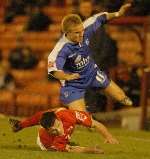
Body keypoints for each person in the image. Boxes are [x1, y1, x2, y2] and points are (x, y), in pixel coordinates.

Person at [48, 3, 133, 137]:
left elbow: (101, 17)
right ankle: (62, 130)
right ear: (67, 33)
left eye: (82, 31)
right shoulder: (60, 50)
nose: (82, 34)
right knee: (83, 119)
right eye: (77, 33)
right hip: (73, 83)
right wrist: (66, 77)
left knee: (122, 97)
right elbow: (53, 70)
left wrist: (118, 13)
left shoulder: (85, 28)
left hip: (92, 73)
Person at [9, 107, 117, 153]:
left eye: (57, 125)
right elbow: (71, 149)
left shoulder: (69, 116)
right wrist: (92, 150)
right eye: (53, 130)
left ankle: (19, 125)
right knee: (59, 148)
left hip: (57, 113)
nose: (58, 130)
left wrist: (108, 136)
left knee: (50, 112)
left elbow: (95, 124)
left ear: (58, 119)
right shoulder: (49, 140)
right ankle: (20, 125)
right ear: (47, 130)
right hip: (46, 143)